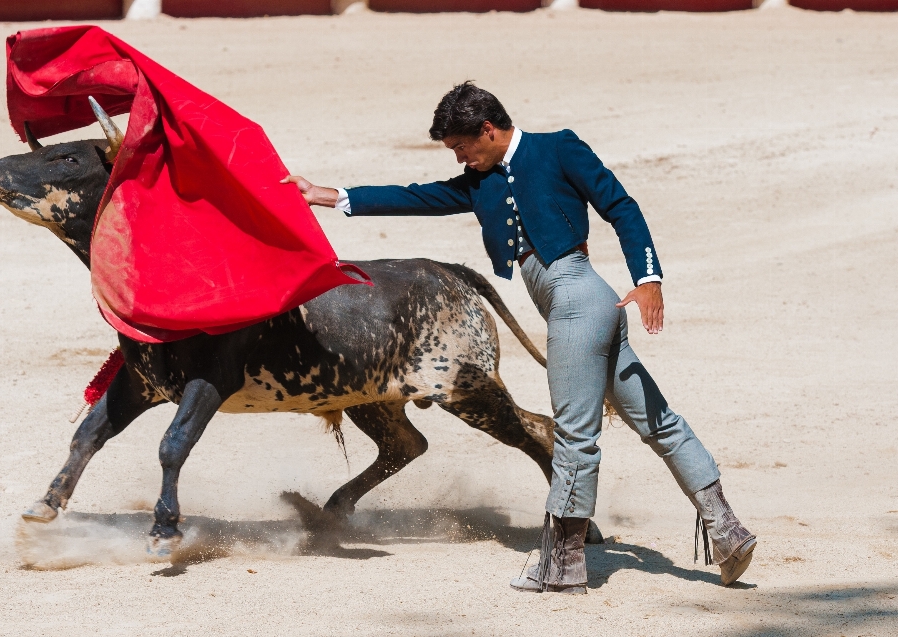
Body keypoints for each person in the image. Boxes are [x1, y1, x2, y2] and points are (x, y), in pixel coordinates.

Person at [282, 81, 756, 594]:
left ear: (488, 129)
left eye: (462, 145)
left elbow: (621, 206)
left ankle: (563, 564)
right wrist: (326, 196)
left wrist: (648, 280)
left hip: (578, 302)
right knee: (658, 422)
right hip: (584, 308)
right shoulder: (478, 180)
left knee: (576, 434)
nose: (460, 156)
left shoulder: (558, 147)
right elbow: (416, 197)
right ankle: (728, 530)